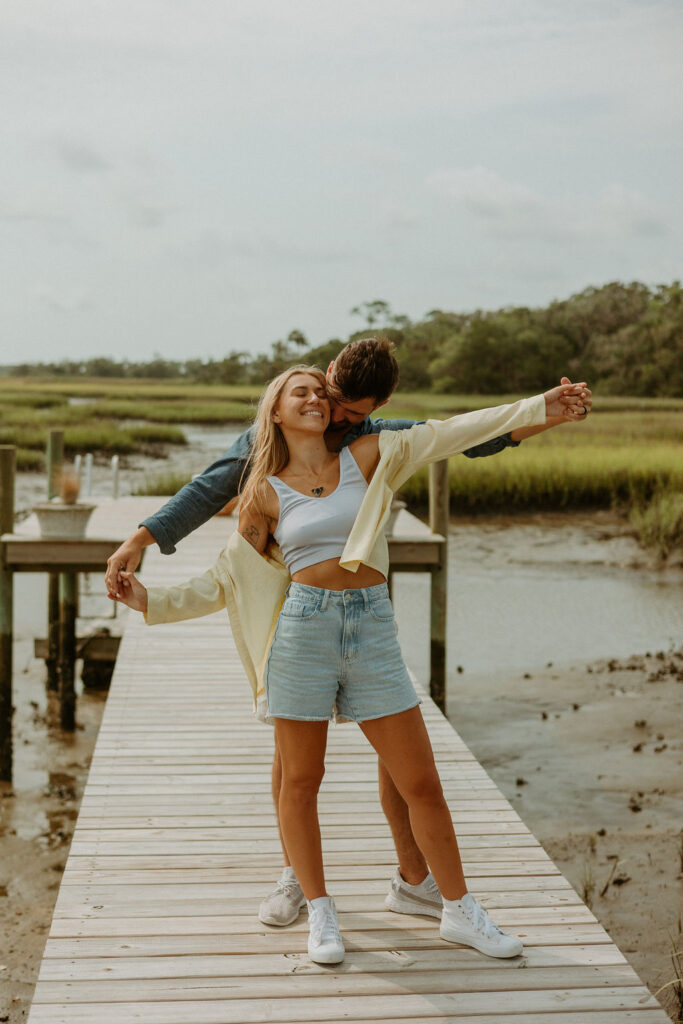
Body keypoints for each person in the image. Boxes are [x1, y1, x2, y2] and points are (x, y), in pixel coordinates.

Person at [105, 339, 592, 930]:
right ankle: (298, 880)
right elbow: (212, 508)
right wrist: (139, 543)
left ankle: (416, 881)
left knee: (405, 767)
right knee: (296, 768)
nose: (334, 413)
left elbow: (464, 432)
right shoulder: (263, 460)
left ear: (375, 407)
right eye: (325, 398)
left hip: (366, 623)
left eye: (353, 412)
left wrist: (544, 410)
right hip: (299, 625)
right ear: (315, 385)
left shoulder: (372, 444)